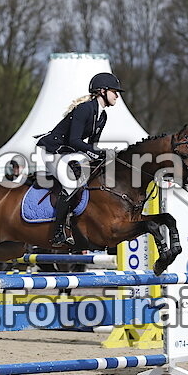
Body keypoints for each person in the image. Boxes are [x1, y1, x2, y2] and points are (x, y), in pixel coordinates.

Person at [37, 72, 124, 246]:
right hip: (51, 150)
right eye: (114, 92)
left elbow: (92, 145)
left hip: (68, 152)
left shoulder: (102, 116)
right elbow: (74, 140)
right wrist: (98, 152)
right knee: (70, 183)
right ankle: (57, 232)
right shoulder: (85, 109)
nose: (117, 96)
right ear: (102, 91)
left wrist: (102, 155)